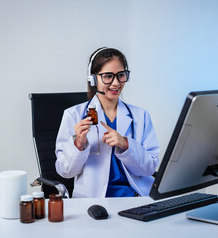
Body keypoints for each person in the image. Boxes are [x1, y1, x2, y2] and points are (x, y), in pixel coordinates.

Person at [55, 47, 160, 198]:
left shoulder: (140, 116)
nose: (116, 83)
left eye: (121, 75)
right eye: (108, 76)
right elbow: (65, 171)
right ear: (93, 79)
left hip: (135, 198)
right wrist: (78, 143)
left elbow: (149, 168)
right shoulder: (73, 115)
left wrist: (126, 144)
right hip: (93, 201)